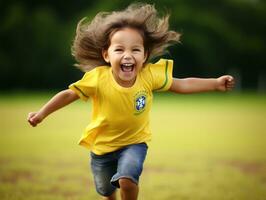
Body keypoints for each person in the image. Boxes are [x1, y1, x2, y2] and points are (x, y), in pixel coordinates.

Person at [27, 3, 235, 200]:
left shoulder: (149, 75)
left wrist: (215, 83)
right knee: (105, 189)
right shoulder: (98, 78)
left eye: (135, 50)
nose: (128, 55)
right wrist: (42, 113)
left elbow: (181, 84)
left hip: (134, 144)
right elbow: (68, 94)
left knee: (127, 179)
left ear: (144, 55)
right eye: (119, 50)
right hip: (101, 148)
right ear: (106, 55)